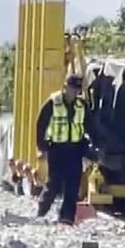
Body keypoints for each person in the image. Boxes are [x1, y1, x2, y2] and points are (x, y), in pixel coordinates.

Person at [36, 73, 91, 225]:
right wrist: (42, 148)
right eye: (72, 88)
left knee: (72, 185)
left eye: (77, 89)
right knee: (54, 183)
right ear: (65, 86)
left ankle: (66, 218)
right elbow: (41, 125)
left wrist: (91, 148)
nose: (74, 92)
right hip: (57, 149)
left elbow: (90, 126)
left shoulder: (82, 106)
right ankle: (42, 210)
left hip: (75, 149)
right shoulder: (53, 103)